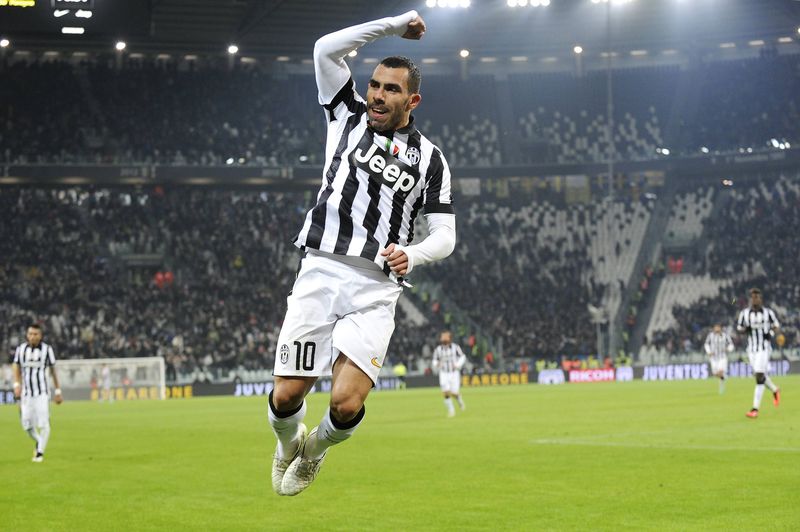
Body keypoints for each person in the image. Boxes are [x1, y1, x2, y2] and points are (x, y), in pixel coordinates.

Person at [267, 10, 456, 497]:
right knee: (287, 395)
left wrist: (412, 256)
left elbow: (445, 234)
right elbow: (325, 48)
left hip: (375, 287)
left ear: (412, 99)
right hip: (320, 268)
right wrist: (394, 25)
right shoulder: (345, 114)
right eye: (374, 84)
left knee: (347, 404)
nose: (377, 94)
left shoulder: (431, 159)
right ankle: (288, 445)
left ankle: (314, 451)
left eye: (391, 89)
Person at [12, 323, 63, 462]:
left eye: (35, 334)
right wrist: (16, 385)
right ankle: (39, 441)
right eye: (30, 334)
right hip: (26, 394)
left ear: (40, 336)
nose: (32, 337)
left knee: (44, 423)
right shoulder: (21, 350)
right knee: (26, 425)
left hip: (42, 394)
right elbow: (16, 367)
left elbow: (53, 371)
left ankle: (40, 453)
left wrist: (58, 391)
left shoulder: (47, 350)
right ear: (27, 335)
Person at [737, 288, 781, 418]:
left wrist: (771, 333)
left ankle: (755, 409)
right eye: (753, 297)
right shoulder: (744, 313)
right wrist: (746, 330)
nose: (755, 299)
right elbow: (739, 328)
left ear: (760, 298)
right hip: (751, 349)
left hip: (764, 348)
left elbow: (777, 326)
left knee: (759, 375)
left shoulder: (768, 313)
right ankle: (775, 389)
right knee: (758, 375)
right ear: (750, 299)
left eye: (757, 297)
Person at [432, 330, 467, 417]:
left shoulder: (456, 347)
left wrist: (458, 364)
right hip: (443, 373)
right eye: (442, 336)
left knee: (454, 392)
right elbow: (434, 360)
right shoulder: (438, 349)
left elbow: (463, 356)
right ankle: (451, 410)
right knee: (445, 392)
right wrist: (437, 364)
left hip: (454, 373)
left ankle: (459, 400)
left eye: (445, 336)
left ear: (449, 338)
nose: (443, 337)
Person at [703, 323, 734, 394]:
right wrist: (709, 352)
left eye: (718, 327)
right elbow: (706, 344)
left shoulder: (725, 335)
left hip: (722, 357)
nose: (716, 329)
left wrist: (728, 349)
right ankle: (724, 377)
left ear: (720, 328)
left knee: (720, 371)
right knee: (715, 374)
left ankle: (722, 385)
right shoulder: (710, 336)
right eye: (715, 327)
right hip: (713, 358)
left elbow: (731, 344)